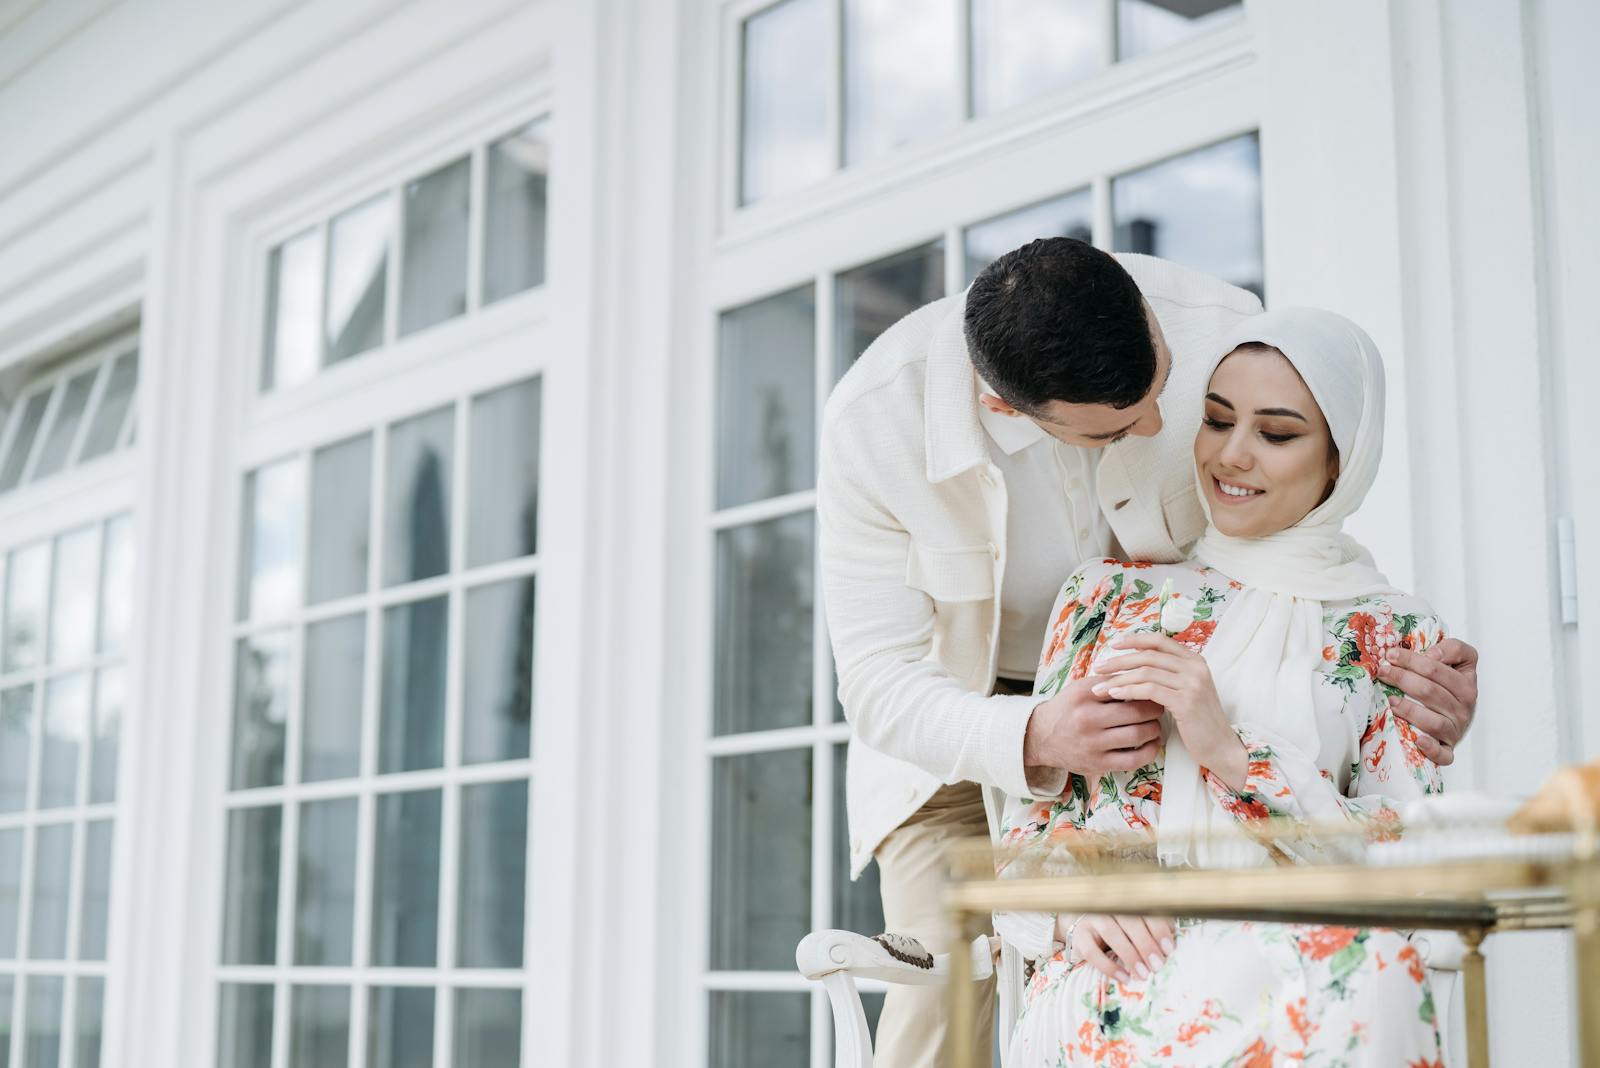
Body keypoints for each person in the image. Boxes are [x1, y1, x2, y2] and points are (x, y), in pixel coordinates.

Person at [817, 239, 1479, 1067]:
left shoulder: (1228, 335)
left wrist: (1249, 741)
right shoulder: (877, 427)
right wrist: (1057, 867)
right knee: (939, 1002)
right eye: (1131, 426)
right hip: (958, 703)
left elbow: (1406, 849)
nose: (1176, 433)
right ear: (1008, 409)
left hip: (1248, 861)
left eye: (1175, 393)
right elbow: (882, 681)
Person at [995, 308, 1445, 1065]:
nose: (1231, 456)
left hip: (1302, 966)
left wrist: (1230, 752)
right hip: (1122, 974)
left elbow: (1411, 874)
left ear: (1340, 459)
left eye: (1275, 434)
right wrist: (1069, 914)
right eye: (1215, 420)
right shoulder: (1108, 597)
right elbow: (1025, 837)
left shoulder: (1394, 633)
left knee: (1376, 977)